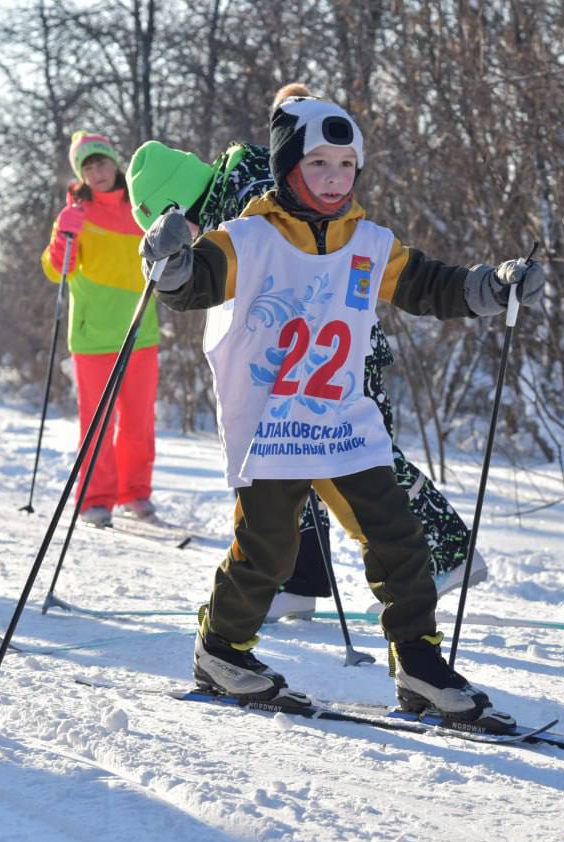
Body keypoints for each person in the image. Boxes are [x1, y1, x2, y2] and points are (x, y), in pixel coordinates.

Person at [139, 90, 544, 729]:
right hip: (272, 420)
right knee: (266, 549)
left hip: (341, 420)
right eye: (319, 164)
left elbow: (428, 285)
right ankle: (220, 650)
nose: (334, 179)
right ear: (288, 168)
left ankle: (418, 663)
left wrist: (490, 288)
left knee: (399, 537)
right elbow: (196, 284)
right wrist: (168, 267)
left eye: (346, 166)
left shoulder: (370, 242)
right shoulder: (249, 237)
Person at [125, 86, 486, 623]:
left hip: (332, 349)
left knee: (359, 461)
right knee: (300, 464)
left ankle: (442, 553)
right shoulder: (234, 183)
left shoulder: (242, 190)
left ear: (176, 205)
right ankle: (300, 579)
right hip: (303, 354)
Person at [40, 131, 160, 528]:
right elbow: (59, 270)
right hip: (92, 337)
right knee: (97, 422)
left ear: (115, 163)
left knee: (139, 422)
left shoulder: (142, 208)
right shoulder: (75, 215)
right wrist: (64, 235)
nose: (96, 171)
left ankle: (136, 492)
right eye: (87, 166)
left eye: (102, 162)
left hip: (140, 331)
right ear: (81, 173)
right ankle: (95, 497)